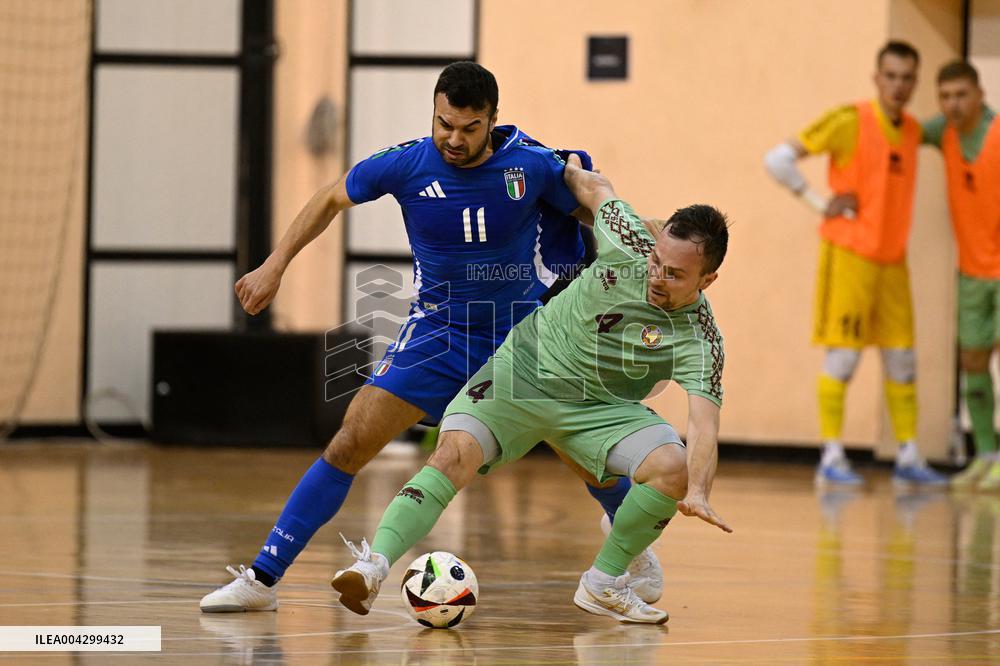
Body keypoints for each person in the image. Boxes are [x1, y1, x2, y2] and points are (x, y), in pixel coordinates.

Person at [200, 62, 662, 612]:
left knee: (583, 456)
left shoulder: (533, 166)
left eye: (469, 128)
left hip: (527, 335)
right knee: (350, 440)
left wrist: (638, 261)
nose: (453, 138)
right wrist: (273, 265)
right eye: (444, 123)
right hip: (438, 333)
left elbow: (592, 209)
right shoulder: (407, 163)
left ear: (493, 119)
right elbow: (328, 197)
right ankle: (261, 579)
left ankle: (629, 549)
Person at [330, 153, 733, 625]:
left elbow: (703, 423)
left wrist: (701, 490)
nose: (656, 277)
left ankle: (602, 584)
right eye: (656, 261)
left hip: (600, 407)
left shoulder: (702, 338)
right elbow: (594, 188)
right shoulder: (629, 239)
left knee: (673, 469)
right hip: (524, 370)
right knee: (452, 454)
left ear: (708, 280)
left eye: (675, 274)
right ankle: (373, 565)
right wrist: (551, 164)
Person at [764, 41, 947, 488]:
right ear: (877, 77)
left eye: (907, 77)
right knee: (843, 360)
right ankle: (831, 457)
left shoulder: (911, 130)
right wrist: (819, 202)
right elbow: (778, 159)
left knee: (902, 360)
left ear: (915, 82)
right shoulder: (850, 121)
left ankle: (908, 455)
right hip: (848, 257)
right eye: (891, 75)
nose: (899, 85)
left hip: (892, 262)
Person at [922, 61, 1000, 491]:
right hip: (971, 271)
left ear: (979, 93)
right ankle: (986, 454)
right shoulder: (942, 132)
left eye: (961, 95)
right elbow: (899, 134)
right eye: (945, 96)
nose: (953, 104)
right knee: (973, 362)